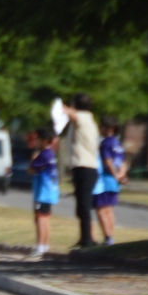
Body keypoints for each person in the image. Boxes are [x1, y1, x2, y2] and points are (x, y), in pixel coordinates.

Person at [62, 93, 100, 248]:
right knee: (81, 206)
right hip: (81, 167)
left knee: (84, 206)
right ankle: (85, 237)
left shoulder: (84, 118)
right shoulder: (86, 119)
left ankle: (88, 240)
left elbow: (72, 115)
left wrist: (61, 107)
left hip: (86, 167)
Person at [94, 116, 129, 245]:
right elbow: (124, 162)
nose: (100, 129)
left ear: (109, 128)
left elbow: (107, 161)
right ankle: (110, 236)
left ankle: (107, 237)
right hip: (115, 181)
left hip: (105, 180)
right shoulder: (118, 143)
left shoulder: (105, 143)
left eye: (102, 126)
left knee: (101, 208)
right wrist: (121, 175)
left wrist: (115, 175)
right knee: (109, 209)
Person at [28, 127, 59, 259]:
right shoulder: (51, 154)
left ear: (44, 140)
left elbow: (31, 170)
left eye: (38, 140)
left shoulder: (43, 155)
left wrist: (33, 157)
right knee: (45, 218)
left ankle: (40, 246)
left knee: (40, 218)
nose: (36, 142)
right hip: (50, 192)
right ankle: (45, 245)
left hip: (42, 192)